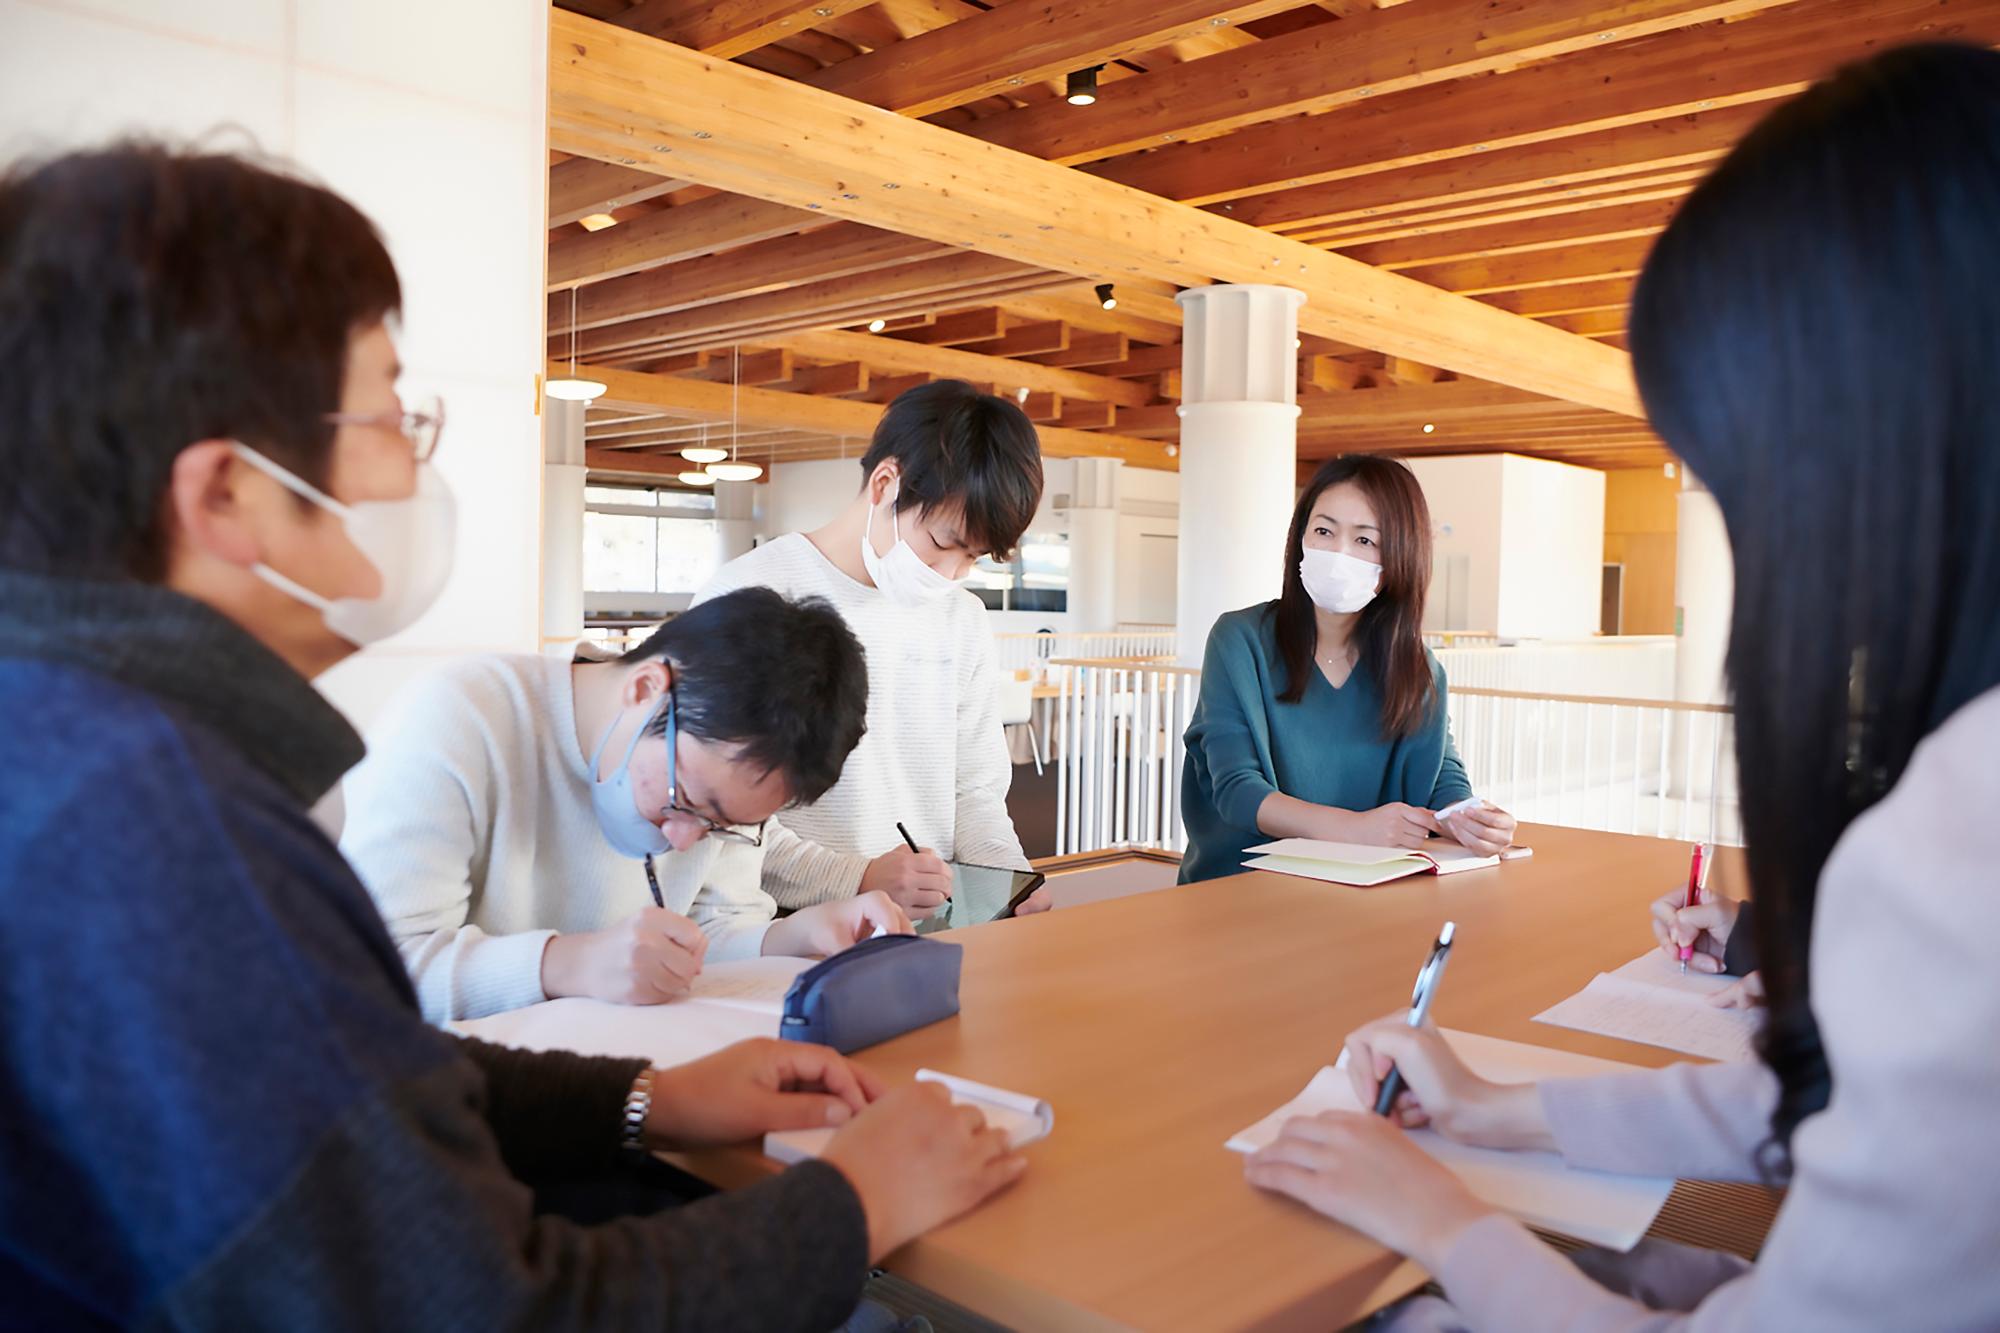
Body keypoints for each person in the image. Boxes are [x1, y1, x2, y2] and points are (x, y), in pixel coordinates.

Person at [0, 142, 1022, 1330]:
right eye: (387, 416)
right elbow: (487, 1309)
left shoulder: (85, 745)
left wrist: (639, 1101)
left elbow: (356, 1075)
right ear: (225, 494)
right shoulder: (156, 829)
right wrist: (853, 1198)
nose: (414, 463)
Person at [1241, 43, 2000, 1330]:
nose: (1345, 558)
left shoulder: (1961, 823)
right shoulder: (1238, 642)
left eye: (1740, 480)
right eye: (1330, 531)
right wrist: (1492, 1113)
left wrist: (1445, 1214)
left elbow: (1435, 784)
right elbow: (1228, 792)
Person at [339, 588, 910, 1023]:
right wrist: (570, 964)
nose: (684, 840)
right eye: (683, 801)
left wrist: (796, 937)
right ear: (644, 691)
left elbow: (699, 936)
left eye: (722, 828)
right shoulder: (459, 718)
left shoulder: (717, 780)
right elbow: (367, 972)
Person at [694, 379, 1041, 921]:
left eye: (973, 558)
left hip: (935, 917)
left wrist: (1007, 881)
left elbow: (976, 791)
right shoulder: (753, 596)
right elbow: (715, 804)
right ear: (886, 484)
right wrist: (854, 878)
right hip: (786, 923)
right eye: (944, 544)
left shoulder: (962, 617)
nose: (952, 574)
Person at [1177, 455, 1516, 884]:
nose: (1338, 553)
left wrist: (1467, 818)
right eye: (1323, 530)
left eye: (1364, 541)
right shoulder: (1240, 639)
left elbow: (1440, 774)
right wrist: (1354, 830)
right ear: (1300, 536)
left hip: (1369, 895)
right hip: (1241, 893)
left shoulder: (1419, 668)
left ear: (1399, 557)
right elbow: (1237, 790)